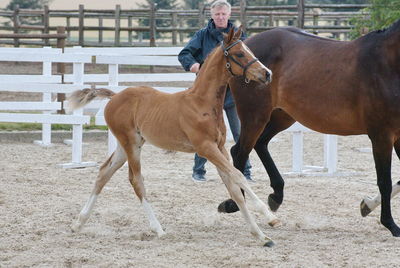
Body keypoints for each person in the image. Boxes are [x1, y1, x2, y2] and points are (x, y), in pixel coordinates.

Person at [178, 0, 252, 182]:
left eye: (223, 14)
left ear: (229, 14)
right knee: (204, 133)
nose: (220, 17)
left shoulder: (238, 36)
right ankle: (198, 171)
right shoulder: (202, 35)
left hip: (232, 94)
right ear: (212, 15)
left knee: (239, 134)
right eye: (217, 14)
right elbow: (184, 54)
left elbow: (248, 59)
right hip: (208, 97)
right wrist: (194, 66)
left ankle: (245, 171)